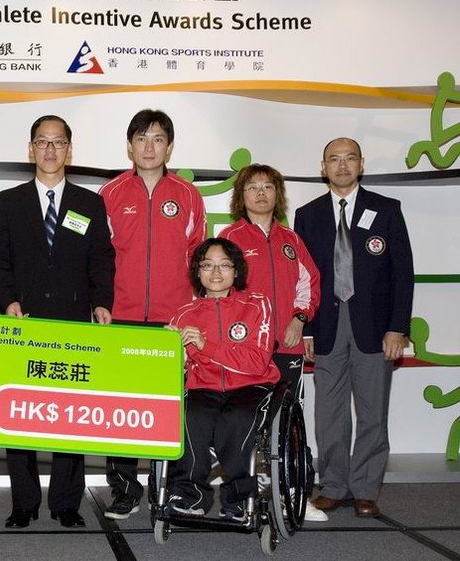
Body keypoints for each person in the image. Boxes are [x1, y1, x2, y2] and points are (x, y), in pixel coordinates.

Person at [0, 114, 115, 529]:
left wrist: (101, 303)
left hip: (73, 323)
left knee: (69, 416)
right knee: (21, 410)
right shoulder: (8, 201)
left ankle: (65, 503)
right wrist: (8, 302)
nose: (50, 150)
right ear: (30, 150)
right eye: (42, 142)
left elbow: (101, 261)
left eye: (58, 143)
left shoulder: (90, 203)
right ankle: (23, 502)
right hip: (23, 323)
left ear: (70, 150)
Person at [294, 137, 414, 518]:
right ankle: (332, 485)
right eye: (334, 159)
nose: (342, 165)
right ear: (323, 166)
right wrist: (307, 329)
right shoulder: (306, 214)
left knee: (372, 413)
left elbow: (403, 274)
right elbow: (304, 279)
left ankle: (365, 489)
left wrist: (398, 328)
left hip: (376, 330)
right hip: (326, 326)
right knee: (328, 413)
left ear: (361, 164)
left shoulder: (387, 209)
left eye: (349, 159)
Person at [98, 109, 207, 519]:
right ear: (129, 145)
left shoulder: (188, 196)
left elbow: (201, 261)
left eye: (158, 139)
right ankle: (125, 488)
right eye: (141, 138)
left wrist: (192, 312)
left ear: (170, 146)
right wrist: (102, 304)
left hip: (173, 321)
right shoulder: (109, 194)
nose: (149, 147)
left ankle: (181, 489)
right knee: (122, 405)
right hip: (120, 317)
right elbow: (100, 259)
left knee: (176, 406)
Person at [219, 164, 327, 522]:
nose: (261, 193)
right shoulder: (229, 238)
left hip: (287, 348)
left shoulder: (291, 240)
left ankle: (296, 493)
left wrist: (299, 318)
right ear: (241, 196)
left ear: (277, 194)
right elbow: (218, 292)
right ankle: (240, 496)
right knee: (245, 422)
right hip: (246, 352)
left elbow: (308, 284)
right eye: (253, 187)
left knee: (289, 424)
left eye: (268, 186)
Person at [167, 238, 280, 519]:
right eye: (207, 265)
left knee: (237, 420)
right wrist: (168, 349)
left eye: (224, 265)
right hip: (203, 387)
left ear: (237, 271)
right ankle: (189, 495)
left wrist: (207, 346)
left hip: (251, 385)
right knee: (190, 417)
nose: (216, 273)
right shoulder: (183, 315)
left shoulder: (257, 305)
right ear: (197, 272)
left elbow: (257, 361)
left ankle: (240, 498)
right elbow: (175, 367)